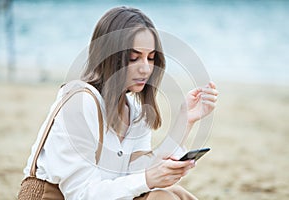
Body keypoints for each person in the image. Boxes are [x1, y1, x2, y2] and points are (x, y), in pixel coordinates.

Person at [20, 6, 218, 200]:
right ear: (109, 57)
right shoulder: (80, 102)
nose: (146, 69)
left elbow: (135, 176)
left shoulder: (134, 110)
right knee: (161, 197)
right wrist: (149, 178)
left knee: (174, 194)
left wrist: (185, 120)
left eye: (151, 58)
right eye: (134, 58)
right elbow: (80, 194)